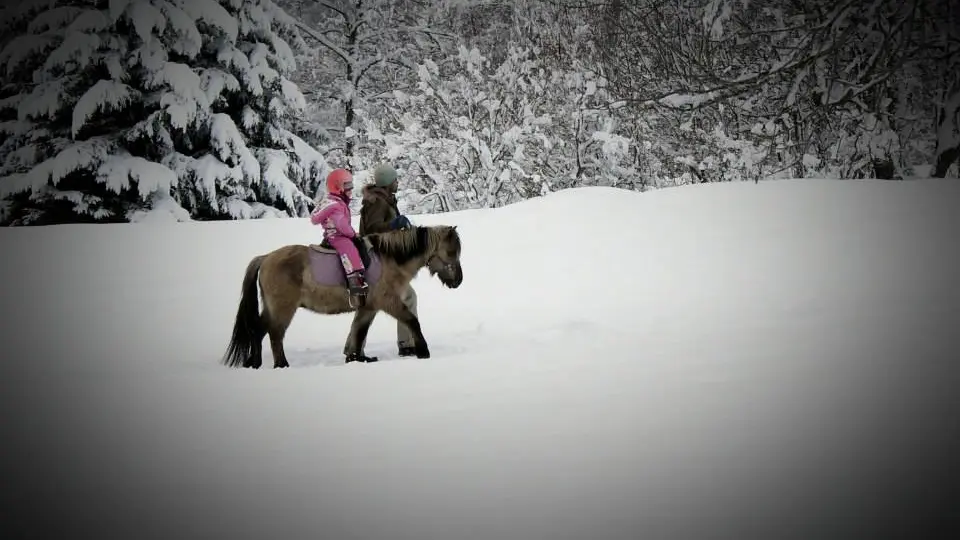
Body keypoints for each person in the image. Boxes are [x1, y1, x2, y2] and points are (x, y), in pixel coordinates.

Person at [355, 163, 419, 356]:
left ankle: (356, 349)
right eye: (395, 180)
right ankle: (406, 344)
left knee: (401, 298)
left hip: (383, 259)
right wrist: (394, 224)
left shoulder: (385, 200)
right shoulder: (377, 202)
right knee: (403, 298)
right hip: (377, 260)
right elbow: (373, 230)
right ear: (388, 182)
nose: (397, 182)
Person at [310, 168, 367, 304]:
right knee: (350, 250)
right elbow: (341, 225)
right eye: (346, 186)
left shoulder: (332, 201)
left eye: (350, 185)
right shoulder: (335, 205)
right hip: (338, 236)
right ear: (337, 187)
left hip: (335, 234)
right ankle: (355, 286)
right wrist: (353, 234)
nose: (350, 189)